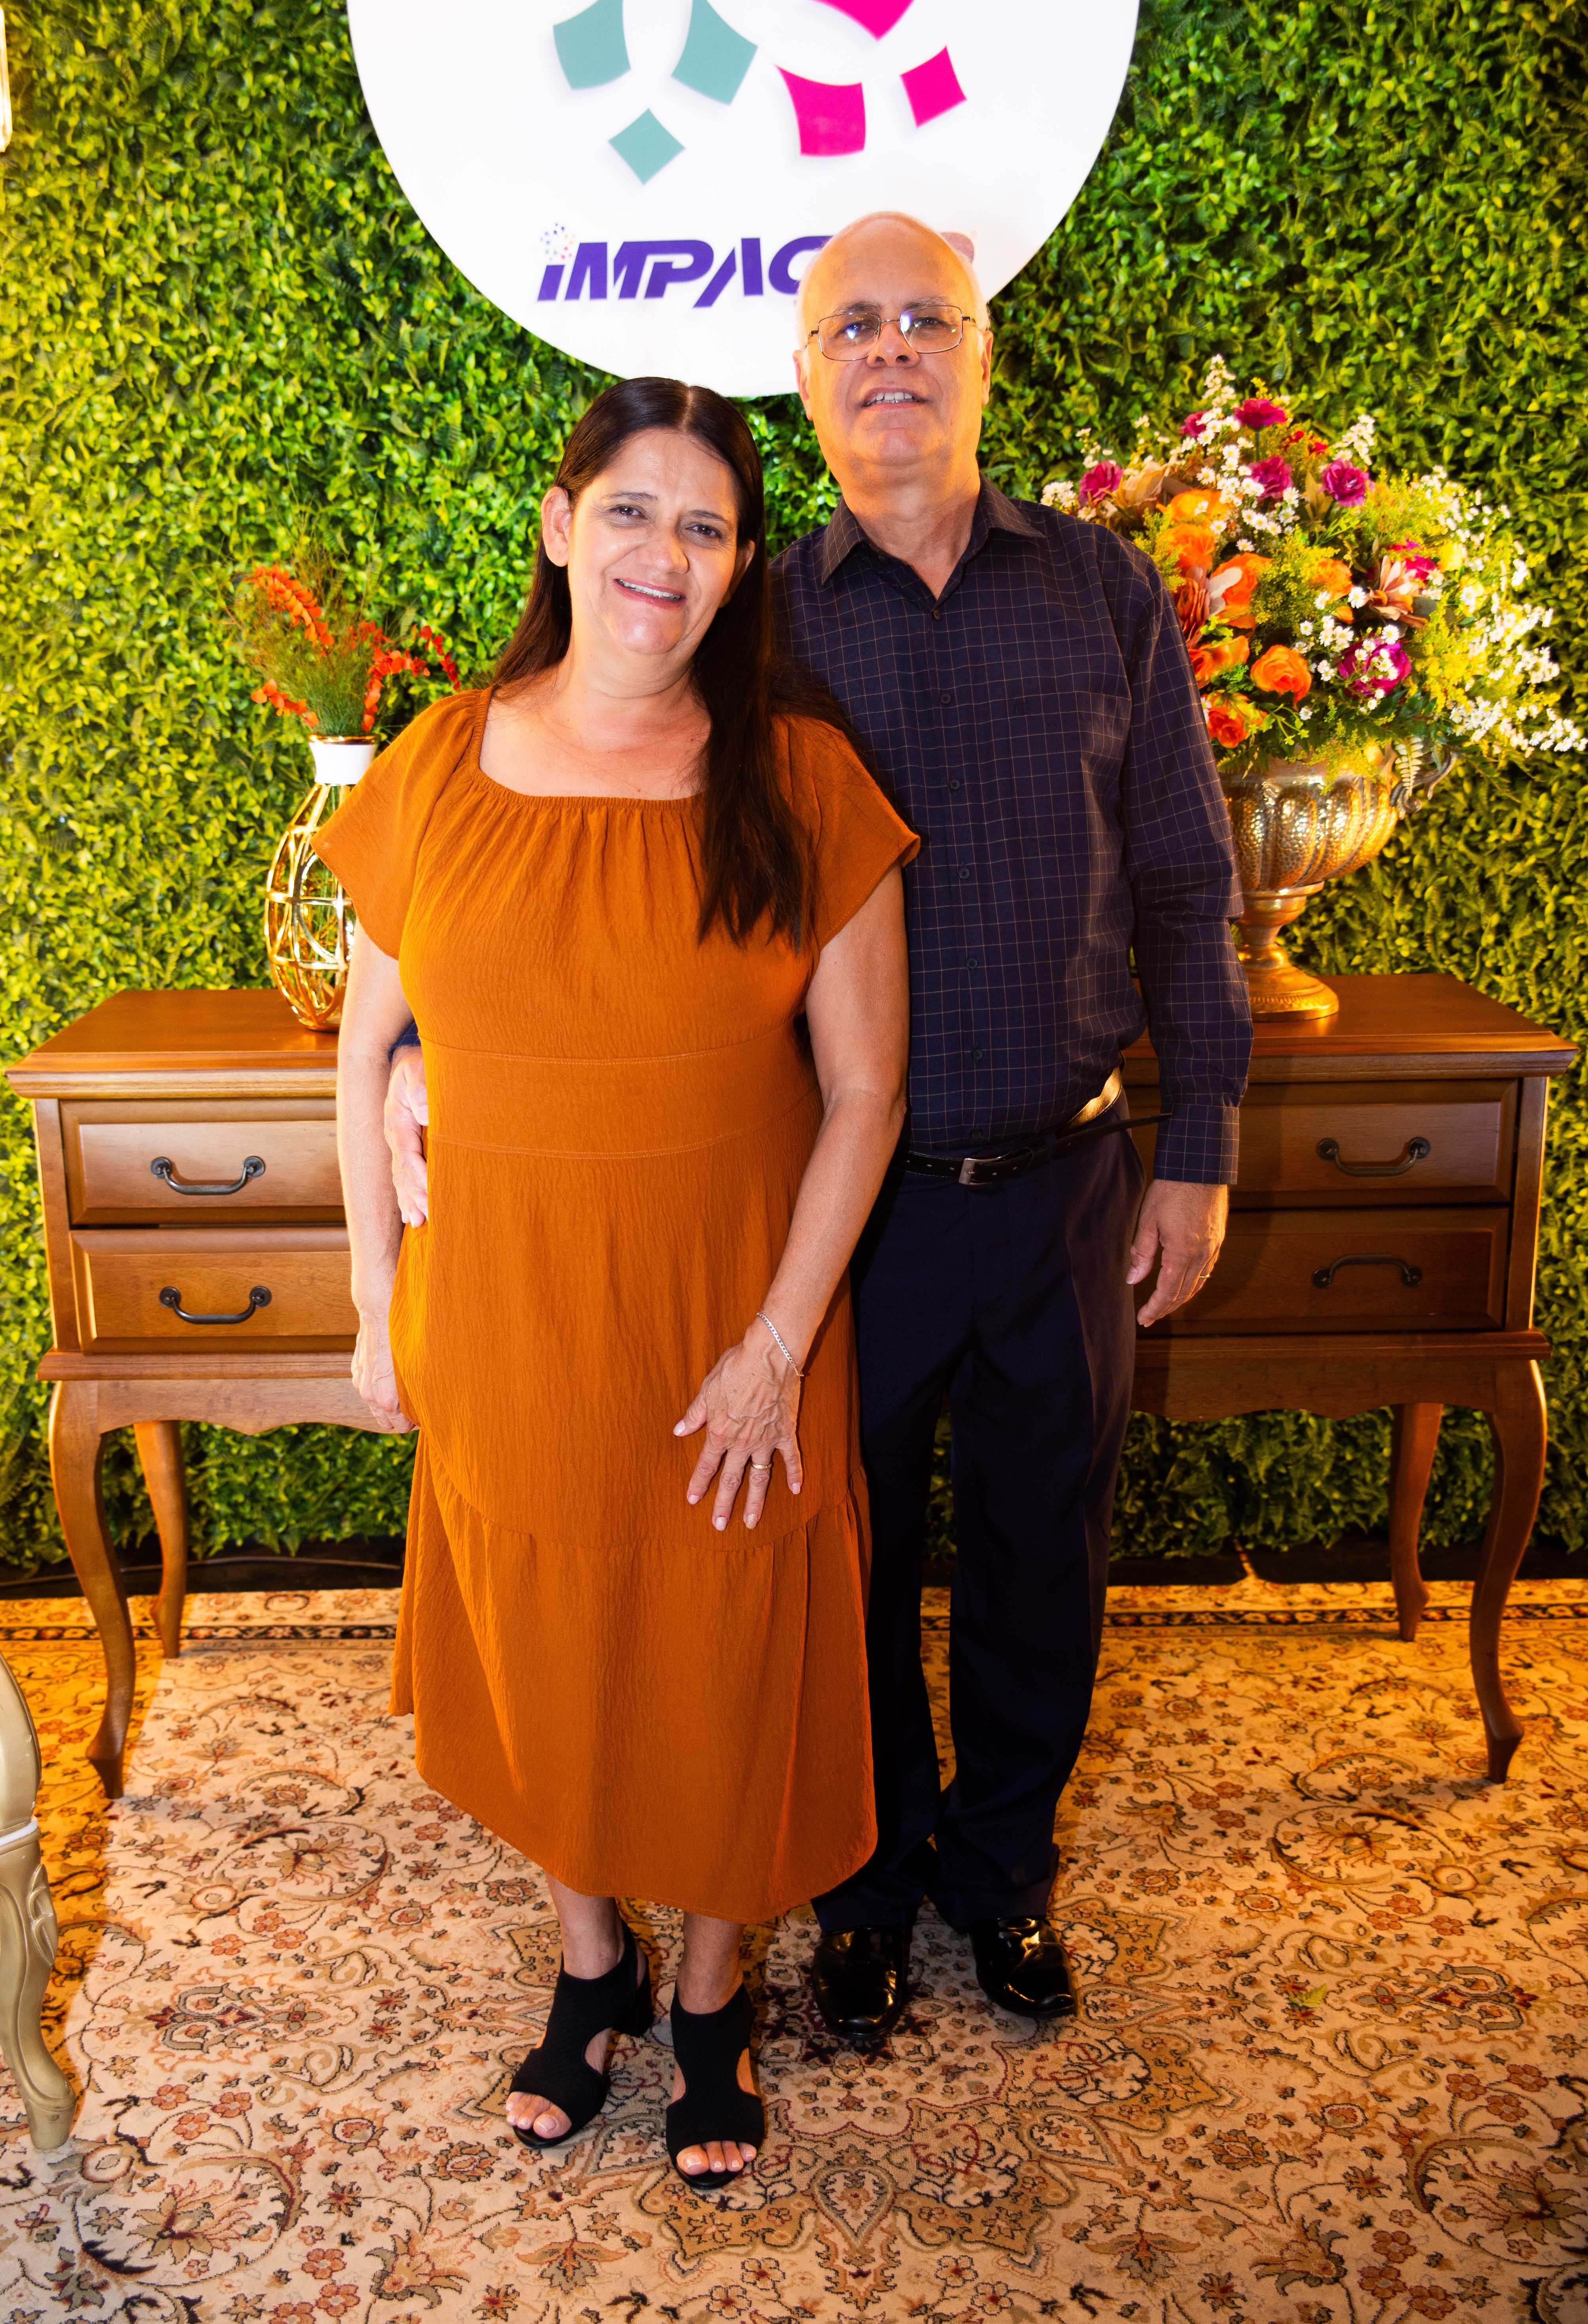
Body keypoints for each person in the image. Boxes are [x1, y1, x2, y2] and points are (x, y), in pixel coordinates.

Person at [386, 214, 1252, 2044]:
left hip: (1067, 1174)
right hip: (846, 1213)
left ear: (980, 355)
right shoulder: (748, 614)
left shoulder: (1100, 590)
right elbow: (575, 879)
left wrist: (1199, 1140)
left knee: (1041, 1555)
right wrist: (414, 1057)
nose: (889, 352)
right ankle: (857, 1889)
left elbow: (1187, 880)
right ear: (803, 373)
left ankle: (1000, 1879)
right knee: (825, 1574)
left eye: (924, 319)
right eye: (849, 325)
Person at [318, 376, 915, 2186]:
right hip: (508, 1319)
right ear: (562, 525)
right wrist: (373, 1296)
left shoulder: (798, 779)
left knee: (728, 1654)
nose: (666, 553)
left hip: (737, 1326)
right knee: (548, 1640)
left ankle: (713, 1991)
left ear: (740, 570)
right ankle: (593, 1960)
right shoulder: (437, 761)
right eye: (635, 510)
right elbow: (364, 1048)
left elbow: (867, 1090)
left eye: (707, 526)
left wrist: (775, 1346)